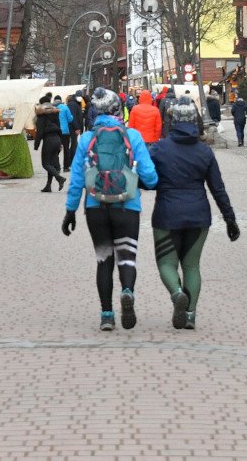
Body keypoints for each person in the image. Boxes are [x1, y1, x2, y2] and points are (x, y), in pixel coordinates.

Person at [61, 88, 159, 332]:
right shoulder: (132, 136)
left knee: (103, 259)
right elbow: (150, 176)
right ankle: (127, 291)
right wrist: (144, 181)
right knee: (127, 257)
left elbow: (76, 179)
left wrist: (70, 210)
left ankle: (106, 314)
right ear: (118, 110)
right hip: (127, 205)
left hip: (96, 206)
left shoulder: (86, 139)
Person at [149, 98, 240, 329]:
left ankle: (177, 293)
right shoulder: (205, 152)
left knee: (166, 263)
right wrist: (230, 219)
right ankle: (190, 314)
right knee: (192, 266)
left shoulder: (159, 149)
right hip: (199, 215)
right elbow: (218, 189)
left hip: (166, 215)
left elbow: (147, 181)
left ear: (172, 121)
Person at [34, 93, 66, 192]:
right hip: (57, 139)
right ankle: (48, 186)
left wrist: (36, 144)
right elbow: (59, 128)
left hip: (48, 140)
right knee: (51, 163)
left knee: (45, 164)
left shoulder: (41, 115)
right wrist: (61, 142)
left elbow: (39, 131)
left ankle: (59, 178)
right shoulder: (55, 113)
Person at [58, 95, 76, 173]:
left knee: (56, 149)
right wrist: (71, 117)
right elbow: (70, 119)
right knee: (66, 149)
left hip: (57, 131)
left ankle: (56, 167)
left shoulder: (54, 108)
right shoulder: (65, 108)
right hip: (65, 131)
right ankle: (66, 167)